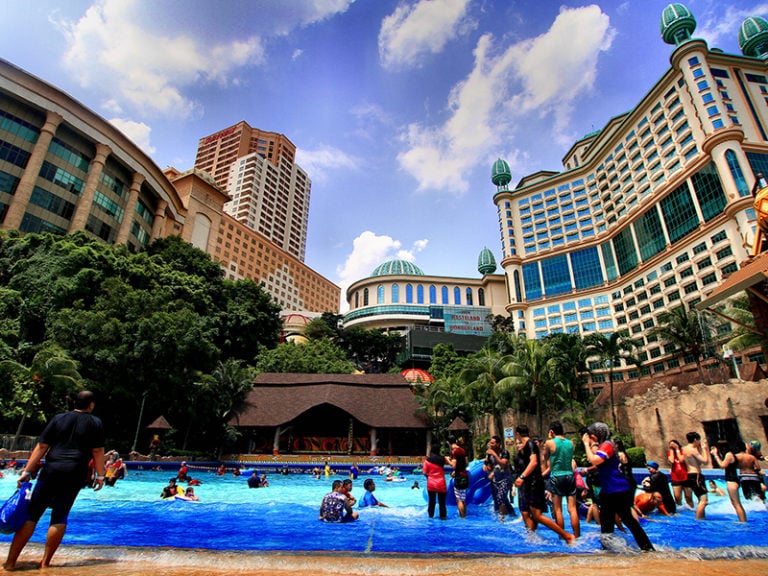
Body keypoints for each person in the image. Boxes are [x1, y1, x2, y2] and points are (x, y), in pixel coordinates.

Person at [3, 390, 106, 571]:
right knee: (59, 515)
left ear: (74, 402)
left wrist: (26, 471)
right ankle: (45, 564)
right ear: (91, 405)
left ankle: (10, 563)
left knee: (32, 515)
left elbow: (42, 446)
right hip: (75, 472)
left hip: (51, 469)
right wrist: (100, 475)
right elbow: (97, 451)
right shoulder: (95, 423)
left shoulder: (58, 418)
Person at [582, 422, 654, 552]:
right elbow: (596, 461)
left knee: (628, 520)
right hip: (610, 491)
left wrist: (586, 444)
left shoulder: (607, 445)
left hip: (617, 490)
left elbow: (595, 460)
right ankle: (607, 549)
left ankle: (647, 548)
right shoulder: (604, 446)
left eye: (592, 436)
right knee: (607, 521)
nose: (590, 439)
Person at [514, 425, 575, 544]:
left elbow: (534, 462)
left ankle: (567, 536)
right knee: (527, 513)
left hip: (534, 483)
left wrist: (522, 477)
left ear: (518, 434)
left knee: (537, 515)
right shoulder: (526, 447)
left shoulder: (530, 444)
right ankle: (532, 540)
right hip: (530, 484)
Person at [542, 421, 580, 538]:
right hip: (569, 476)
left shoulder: (550, 443)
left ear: (552, 431)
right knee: (572, 509)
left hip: (557, 476)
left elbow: (545, 458)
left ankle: (563, 536)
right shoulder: (570, 443)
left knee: (558, 509)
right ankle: (577, 536)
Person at [710, 439, 746, 522]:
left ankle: (743, 522)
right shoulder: (729, 454)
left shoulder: (729, 455)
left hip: (732, 481)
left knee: (736, 503)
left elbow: (722, 465)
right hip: (732, 480)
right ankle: (742, 520)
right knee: (734, 503)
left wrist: (715, 455)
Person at [483, 435, 514, 520]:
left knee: (500, 497)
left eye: (492, 443)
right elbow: (490, 467)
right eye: (490, 443)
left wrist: (494, 454)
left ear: (498, 444)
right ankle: (512, 514)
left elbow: (503, 464)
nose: (490, 444)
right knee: (500, 500)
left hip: (505, 479)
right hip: (495, 480)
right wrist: (486, 465)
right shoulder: (489, 455)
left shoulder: (504, 453)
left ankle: (501, 519)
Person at [682, 431, 710, 520]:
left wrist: (700, 450)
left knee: (700, 499)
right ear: (695, 439)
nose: (699, 442)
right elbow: (705, 462)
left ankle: (703, 518)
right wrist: (706, 450)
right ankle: (698, 520)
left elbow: (696, 462)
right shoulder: (693, 450)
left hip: (690, 475)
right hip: (696, 476)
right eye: (699, 440)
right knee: (704, 501)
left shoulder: (684, 449)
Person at [445, 436, 469, 518]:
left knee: (459, 500)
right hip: (465, 475)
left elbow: (453, 465)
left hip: (459, 477)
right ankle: (464, 516)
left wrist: (447, 460)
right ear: (455, 440)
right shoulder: (462, 450)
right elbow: (466, 463)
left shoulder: (454, 451)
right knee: (463, 499)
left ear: (448, 442)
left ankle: (462, 518)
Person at [423, 451, 448, 520]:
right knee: (442, 503)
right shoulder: (443, 459)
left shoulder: (427, 461)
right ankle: (443, 517)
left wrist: (429, 478)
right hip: (441, 483)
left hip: (431, 484)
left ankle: (431, 516)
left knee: (431, 502)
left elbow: (425, 473)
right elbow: (451, 463)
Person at [666, 439, 688, 507]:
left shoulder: (683, 452)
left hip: (685, 476)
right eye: (671, 445)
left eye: (673, 444)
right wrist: (672, 450)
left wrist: (677, 449)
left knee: (688, 496)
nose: (672, 446)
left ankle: (691, 509)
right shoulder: (670, 453)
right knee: (677, 497)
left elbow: (682, 460)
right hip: (676, 477)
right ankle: (680, 509)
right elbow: (672, 461)